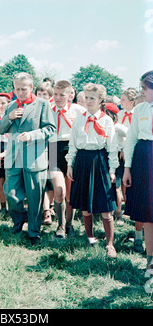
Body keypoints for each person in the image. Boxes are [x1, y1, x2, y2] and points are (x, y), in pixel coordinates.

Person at [0, 72, 55, 246]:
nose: (20, 92)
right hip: (13, 157)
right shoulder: (11, 106)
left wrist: (32, 135)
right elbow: (0, 129)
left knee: (35, 197)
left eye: (24, 88)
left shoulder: (43, 105)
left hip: (34, 157)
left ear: (31, 88)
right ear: (13, 89)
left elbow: (51, 129)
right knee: (11, 195)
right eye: (17, 89)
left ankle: (34, 231)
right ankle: (18, 221)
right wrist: (9, 117)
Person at [66, 83, 118, 258]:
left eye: (92, 98)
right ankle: (90, 237)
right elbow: (72, 144)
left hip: (100, 160)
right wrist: (70, 164)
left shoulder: (106, 120)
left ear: (100, 100)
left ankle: (110, 244)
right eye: (86, 97)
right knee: (85, 206)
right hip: (82, 161)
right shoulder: (79, 120)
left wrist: (112, 169)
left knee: (105, 206)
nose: (88, 101)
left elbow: (112, 147)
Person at [122, 70, 153, 275]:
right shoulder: (140, 109)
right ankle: (150, 260)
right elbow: (131, 139)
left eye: (144, 88)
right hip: (144, 159)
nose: (141, 92)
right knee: (148, 213)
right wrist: (127, 168)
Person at [49, 80, 85, 238]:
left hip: (72, 150)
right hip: (53, 150)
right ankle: (60, 224)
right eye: (55, 94)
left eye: (61, 95)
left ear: (70, 95)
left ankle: (69, 224)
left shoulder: (79, 110)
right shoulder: (48, 110)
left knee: (70, 192)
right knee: (59, 189)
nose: (57, 98)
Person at [34, 83, 55, 225]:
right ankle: (43, 209)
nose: (41, 97)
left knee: (50, 178)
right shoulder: (32, 109)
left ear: (50, 97)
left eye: (45, 95)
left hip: (53, 146)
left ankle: (50, 207)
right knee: (39, 179)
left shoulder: (53, 109)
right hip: (38, 147)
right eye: (39, 94)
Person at [105, 103, 128, 226]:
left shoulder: (118, 127)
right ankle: (108, 211)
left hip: (118, 157)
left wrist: (124, 149)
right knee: (107, 186)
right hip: (106, 156)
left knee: (116, 186)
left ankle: (119, 214)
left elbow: (130, 135)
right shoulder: (102, 125)